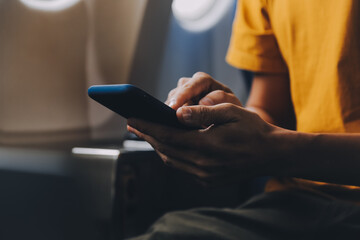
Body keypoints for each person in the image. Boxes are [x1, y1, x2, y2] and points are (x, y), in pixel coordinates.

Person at [127, 0, 360, 239]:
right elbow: (271, 111)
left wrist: (276, 149)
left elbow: (276, 142)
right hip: (296, 202)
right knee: (167, 233)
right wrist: (224, 119)